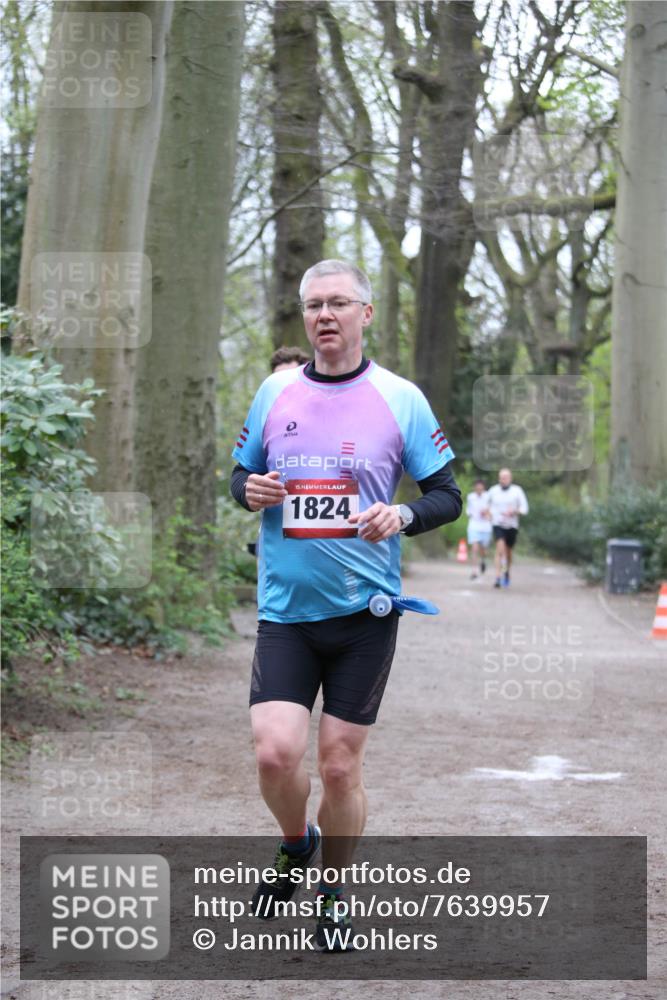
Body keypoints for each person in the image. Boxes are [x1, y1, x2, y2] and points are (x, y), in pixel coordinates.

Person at [230, 259, 461, 950]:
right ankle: (296, 841)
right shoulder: (275, 391)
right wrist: (248, 490)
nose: (324, 315)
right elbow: (240, 474)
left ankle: (333, 894)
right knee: (276, 755)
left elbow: (446, 495)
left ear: (366, 312)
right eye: (313, 305)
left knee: (337, 766)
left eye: (337, 302)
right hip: (285, 612)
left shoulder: (401, 398)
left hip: (365, 615)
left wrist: (402, 515)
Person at [486, 468, 529, 588]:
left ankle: (507, 572)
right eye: (501, 478)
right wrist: (488, 514)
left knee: (508, 552)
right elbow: (486, 505)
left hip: (512, 525)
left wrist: (514, 511)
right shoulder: (493, 490)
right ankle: (498, 577)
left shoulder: (517, 491)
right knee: (500, 550)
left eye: (505, 478)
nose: (502, 480)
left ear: (510, 478)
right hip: (497, 524)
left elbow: (524, 509)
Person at [466, 478, 491, 579]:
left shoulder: (488, 496)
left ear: (483, 488)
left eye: (481, 489)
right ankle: (474, 571)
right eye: (477, 489)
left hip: (485, 526)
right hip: (474, 525)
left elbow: (492, 510)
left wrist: (487, 512)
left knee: (483, 549)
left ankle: (483, 560)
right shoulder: (470, 497)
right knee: (474, 547)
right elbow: (468, 511)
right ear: (475, 488)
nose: (479, 490)